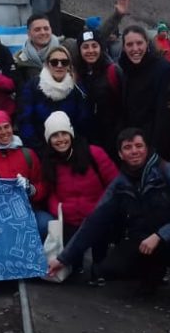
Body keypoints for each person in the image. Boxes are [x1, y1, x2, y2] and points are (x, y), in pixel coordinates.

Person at [47, 129, 170, 305]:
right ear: (120, 154)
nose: (134, 151)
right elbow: (94, 221)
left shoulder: (169, 172)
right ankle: (152, 276)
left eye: (138, 146)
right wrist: (63, 259)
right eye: (128, 147)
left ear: (147, 148)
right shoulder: (120, 183)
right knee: (109, 269)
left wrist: (160, 235)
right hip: (143, 239)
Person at [37, 111, 119, 277]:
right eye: (55, 136)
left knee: (101, 264)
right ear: (48, 140)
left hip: (97, 214)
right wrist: (59, 208)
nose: (60, 139)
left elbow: (115, 183)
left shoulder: (94, 153)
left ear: (71, 134)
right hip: (69, 217)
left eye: (64, 133)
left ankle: (98, 265)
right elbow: (50, 191)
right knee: (72, 267)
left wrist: (102, 208)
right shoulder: (48, 162)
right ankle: (76, 265)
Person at [117, 25, 170, 164]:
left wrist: (153, 152)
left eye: (139, 43)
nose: (135, 49)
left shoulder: (164, 69)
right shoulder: (126, 70)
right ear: (124, 47)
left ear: (147, 43)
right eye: (129, 44)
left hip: (160, 151)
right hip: (135, 149)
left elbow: (164, 116)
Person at [15, 45, 91, 151]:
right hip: (40, 148)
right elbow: (25, 120)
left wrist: (74, 147)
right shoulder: (33, 86)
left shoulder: (77, 88)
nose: (59, 65)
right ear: (47, 64)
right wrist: (38, 148)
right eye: (54, 62)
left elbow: (83, 121)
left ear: (69, 65)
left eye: (64, 62)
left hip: (71, 148)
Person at [75, 27, 121, 155]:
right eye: (85, 47)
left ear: (101, 48)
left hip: (112, 138)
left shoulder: (112, 71)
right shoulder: (77, 74)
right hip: (87, 138)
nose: (90, 51)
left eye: (94, 46)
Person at [13, 14, 62, 85]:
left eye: (46, 28)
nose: (43, 32)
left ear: (51, 30)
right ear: (29, 33)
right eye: (37, 30)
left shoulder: (67, 50)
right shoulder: (19, 61)